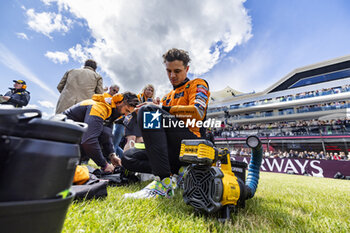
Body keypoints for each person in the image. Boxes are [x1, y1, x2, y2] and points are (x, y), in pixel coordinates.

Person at [122, 48, 210, 198]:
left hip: (191, 143)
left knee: (149, 111)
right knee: (128, 157)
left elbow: (199, 112)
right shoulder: (167, 96)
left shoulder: (198, 83)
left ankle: (164, 182)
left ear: (187, 69)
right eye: (168, 71)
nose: (172, 75)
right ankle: (179, 173)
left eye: (177, 71)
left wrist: (160, 108)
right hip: (171, 149)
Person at [63, 92, 139, 173]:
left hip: (71, 136)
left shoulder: (110, 111)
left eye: (129, 113)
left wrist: (112, 155)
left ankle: (74, 165)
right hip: (61, 136)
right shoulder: (99, 107)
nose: (126, 114)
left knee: (104, 132)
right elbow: (89, 141)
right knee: (92, 135)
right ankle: (67, 164)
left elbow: (107, 136)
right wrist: (104, 164)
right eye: (126, 110)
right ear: (119, 101)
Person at [124, 84, 156, 150]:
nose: (149, 91)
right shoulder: (138, 97)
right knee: (131, 140)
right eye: (148, 89)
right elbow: (133, 109)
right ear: (144, 90)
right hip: (132, 121)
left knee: (140, 143)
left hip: (141, 124)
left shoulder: (152, 102)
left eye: (151, 90)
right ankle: (125, 159)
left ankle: (135, 159)